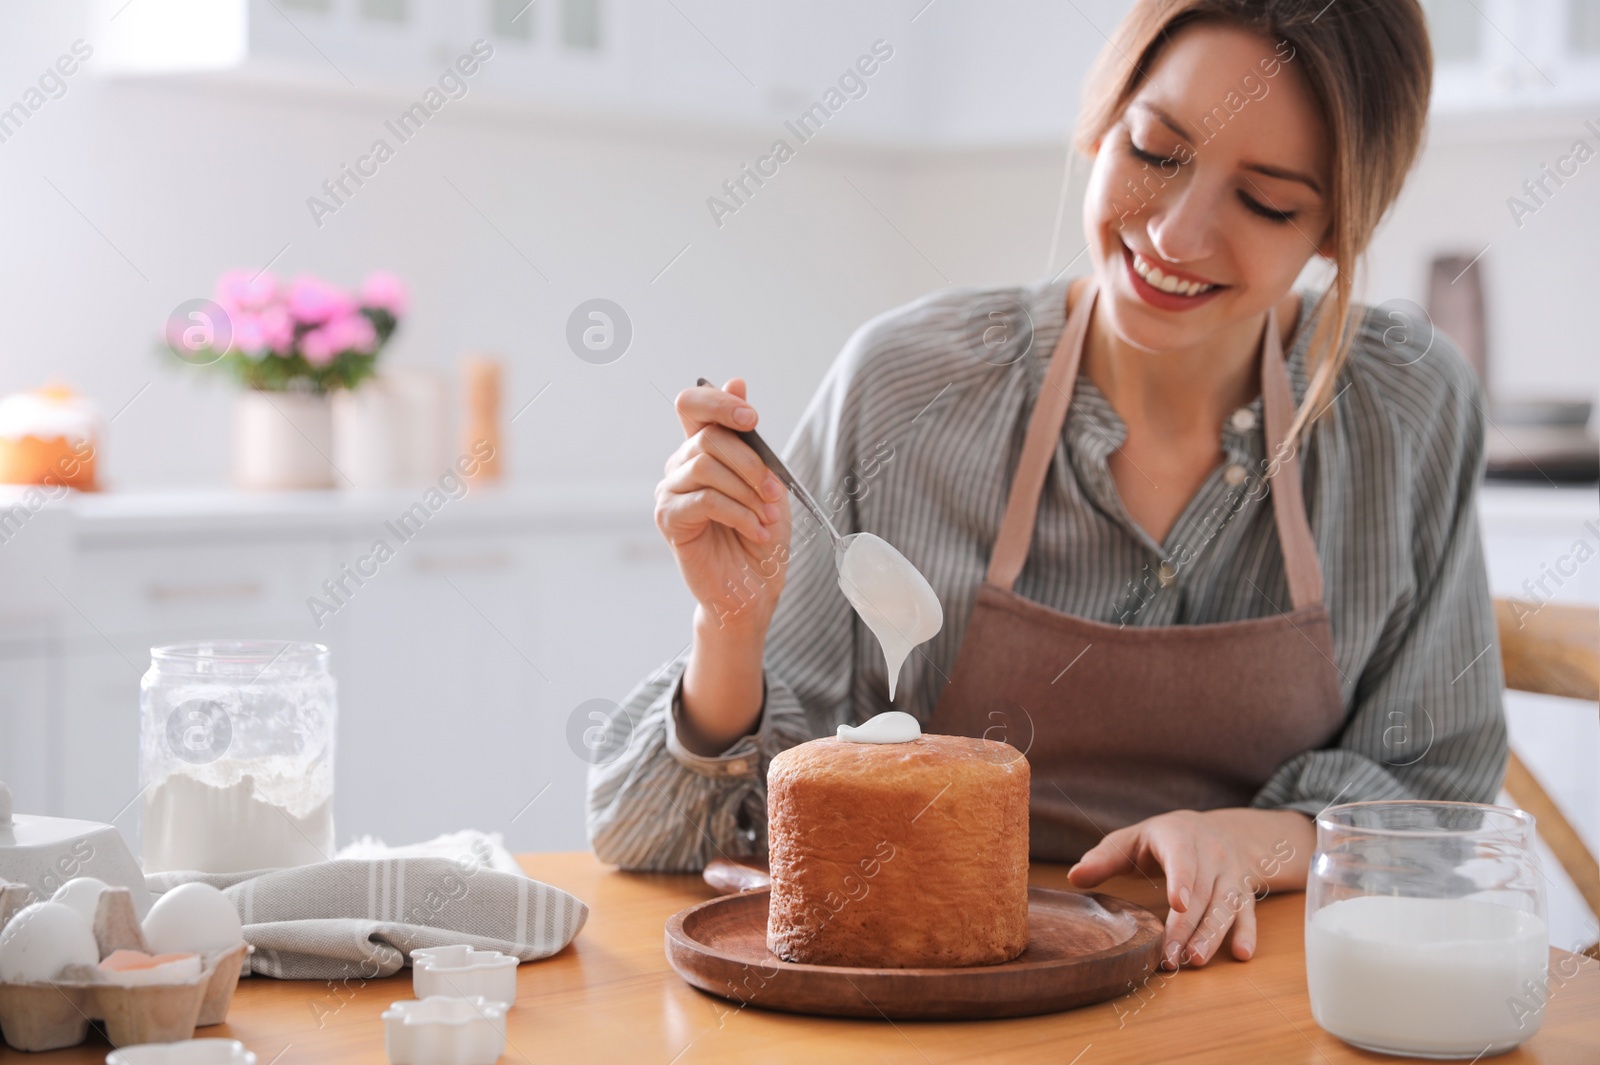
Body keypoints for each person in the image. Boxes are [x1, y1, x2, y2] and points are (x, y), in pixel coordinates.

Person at [589, 0, 1506, 973]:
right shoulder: (906, 389)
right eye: (1156, 151)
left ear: (1335, 226)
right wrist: (728, 630)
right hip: (942, 997)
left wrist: (1254, 838)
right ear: (1100, 121)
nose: (1177, 232)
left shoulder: (1405, 410)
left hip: (1264, 994)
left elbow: (1437, 803)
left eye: (1267, 201)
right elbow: (656, 840)